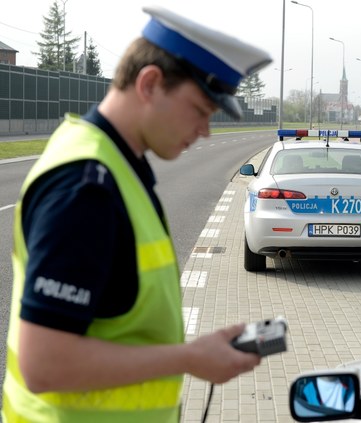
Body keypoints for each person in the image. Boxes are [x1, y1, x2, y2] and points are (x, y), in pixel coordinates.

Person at [2, 6, 271, 422]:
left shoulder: (108, 161)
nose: (205, 130)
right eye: (201, 110)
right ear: (150, 83)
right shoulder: (86, 187)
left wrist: (195, 352)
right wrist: (188, 358)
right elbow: (44, 365)